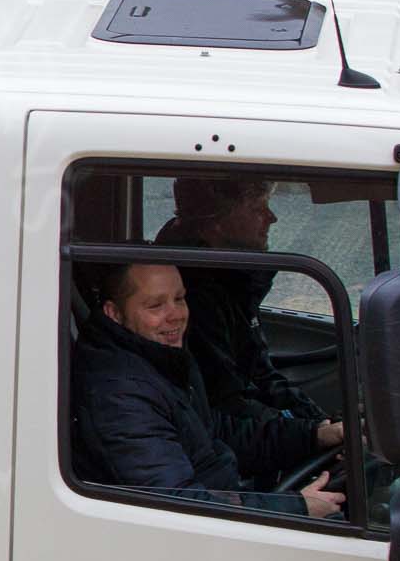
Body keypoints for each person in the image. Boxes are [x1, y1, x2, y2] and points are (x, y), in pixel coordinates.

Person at [74, 264, 345, 519]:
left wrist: (314, 436)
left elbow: (215, 433)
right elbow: (178, 504)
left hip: (222, 503)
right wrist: (297, 507)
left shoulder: (160, 359)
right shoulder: (120, 396)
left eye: (179, 299)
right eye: (155, 305)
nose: (176, 314)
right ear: (114, 314)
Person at [151, 179, 326, 426]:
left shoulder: (235, 282)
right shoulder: (193, 299)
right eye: (257, 208)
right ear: (218, 222)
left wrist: (318, 420)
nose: (272, 217)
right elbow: (227, 400)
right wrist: (307, 433)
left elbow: (259, 372)